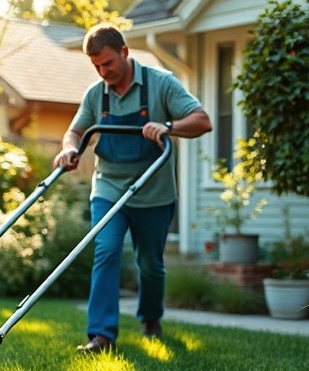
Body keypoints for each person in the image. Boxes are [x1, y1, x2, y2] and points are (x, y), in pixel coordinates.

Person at [54, 24, 212, 354]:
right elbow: (75, 131)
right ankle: (101, 335)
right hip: (109, 187)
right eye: (96, 66)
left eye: (107, 63)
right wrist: (70, 149)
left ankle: (151, 318)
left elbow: (202, 120)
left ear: (124, 52)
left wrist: (168, 127)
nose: (102, 71)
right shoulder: (96, 94)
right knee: (106, 250)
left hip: (153, 191)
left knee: (150, 264)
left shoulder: (162, 84)